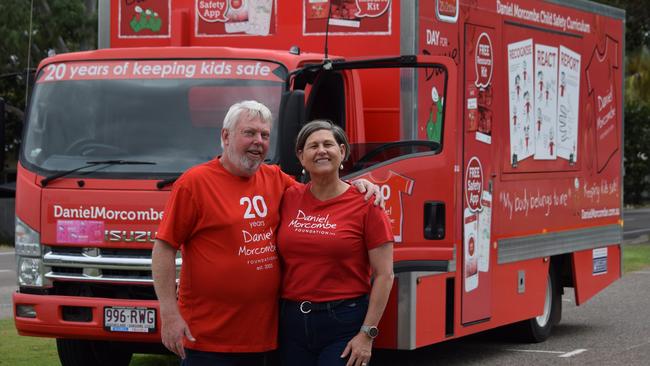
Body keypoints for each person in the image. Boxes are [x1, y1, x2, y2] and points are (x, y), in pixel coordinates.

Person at [152, 101, 381, 366]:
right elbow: (164, 248)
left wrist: (357, 186)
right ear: (226, 136)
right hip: (208, 338)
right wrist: (169, 313)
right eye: (249, 133)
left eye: (265, 135)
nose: (258, 141)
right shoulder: (194, 184)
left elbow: (322, 188)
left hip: (266, 339)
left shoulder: (276, 179)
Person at [277, 120, 395, 366]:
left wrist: (367, 334)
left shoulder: (366, 202)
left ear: (342, 152)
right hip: (292, 323)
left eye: (328, 144)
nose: (321, 150)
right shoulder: (288, 196)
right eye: (313, 146)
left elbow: (385, 275)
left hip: (343, 322)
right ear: (301, 156)